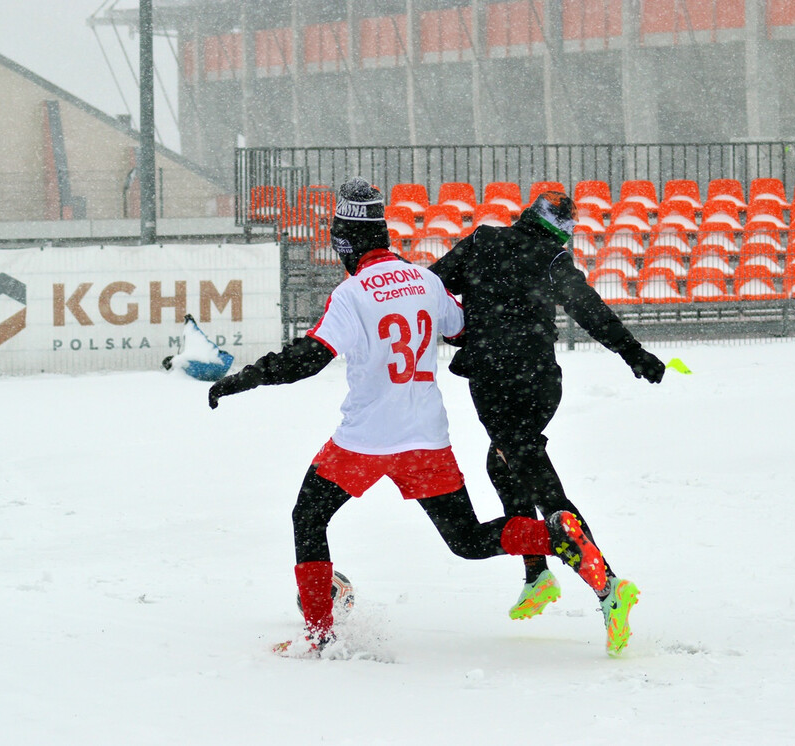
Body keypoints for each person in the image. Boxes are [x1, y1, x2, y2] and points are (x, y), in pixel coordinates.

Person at [207, 178, 613, 658]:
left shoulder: (352, 294)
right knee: (466, 538)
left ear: (344, 240)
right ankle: (556, 537)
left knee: (308, 516)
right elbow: (465, 328)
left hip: (365, 440)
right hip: (425, 438)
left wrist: (245, 379)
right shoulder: (426, 281)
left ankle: (319, 636)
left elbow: (308, 358)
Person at [430, 190, 665, 654]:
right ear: (560, 227)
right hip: (540, 381)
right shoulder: (554, 259)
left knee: (542, 487)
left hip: (496, 383)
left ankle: (609, 587)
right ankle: (537, 574)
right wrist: (632, 352)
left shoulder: (481, 241)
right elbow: (588, 307)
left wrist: (467, 324)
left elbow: (431, 288)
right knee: (505, 465)